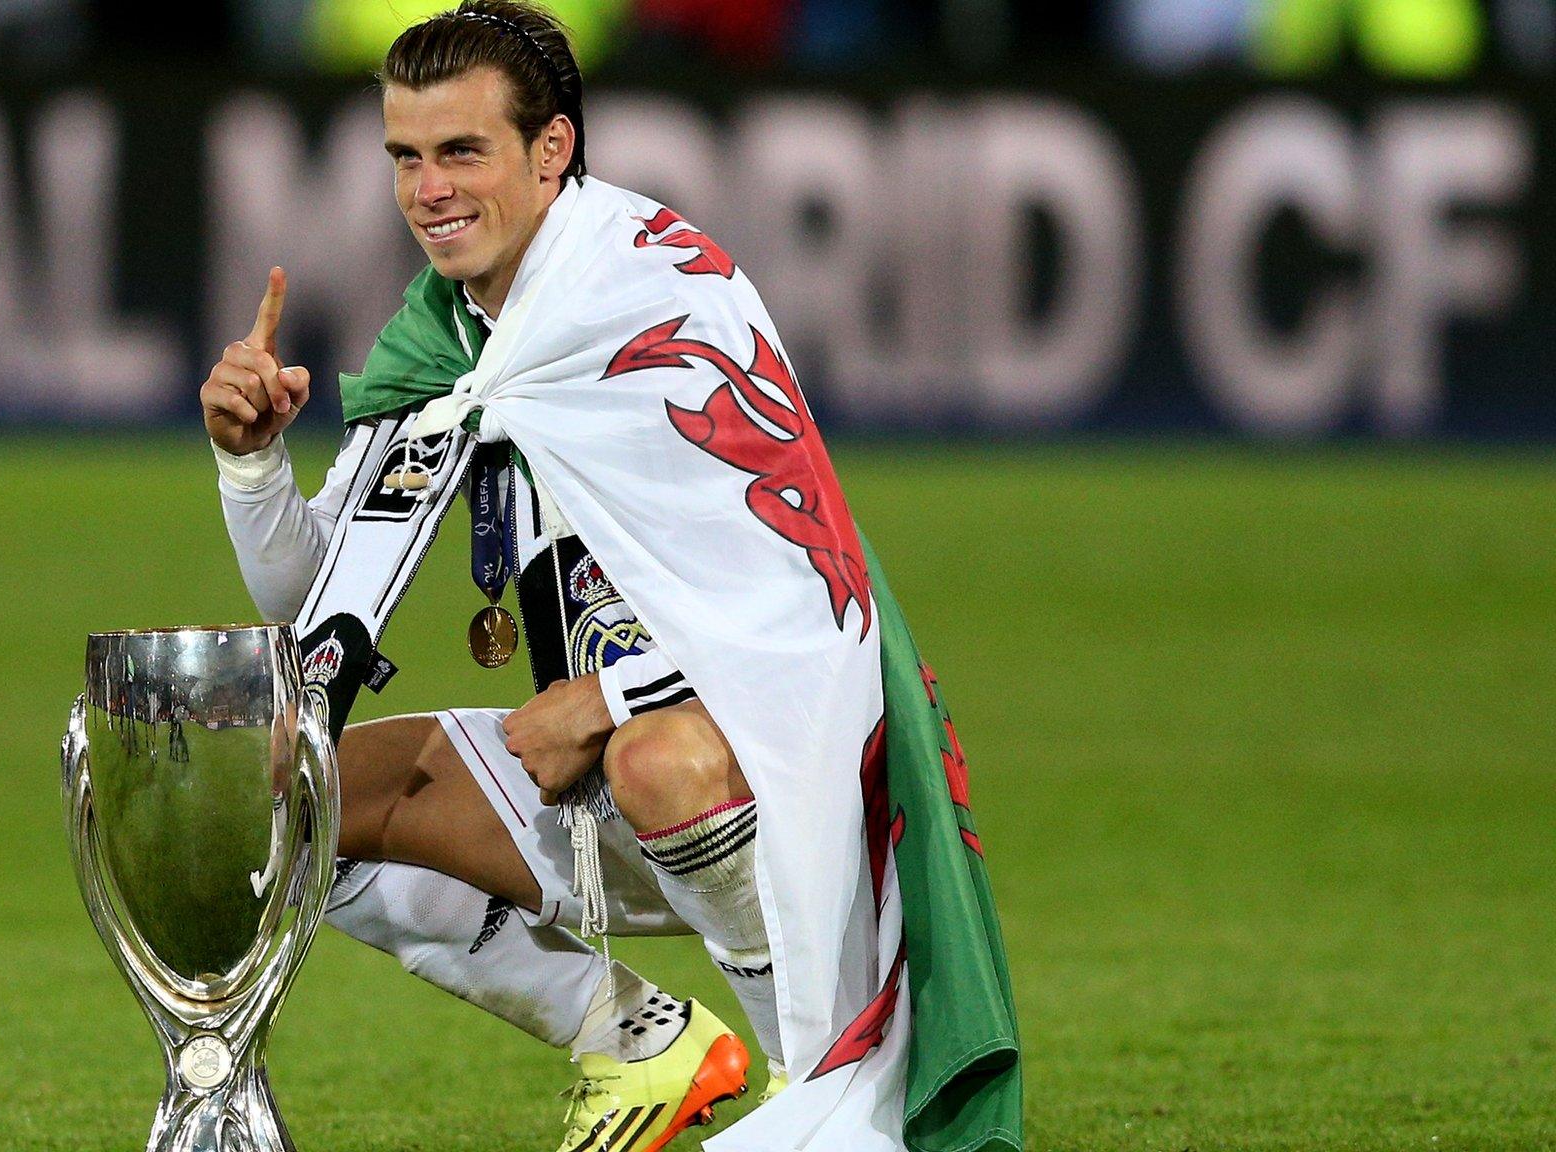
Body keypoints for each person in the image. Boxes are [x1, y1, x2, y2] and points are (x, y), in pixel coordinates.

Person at [200, 4, 1022, 1150]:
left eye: (460, 152)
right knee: (290, 797)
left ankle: (808, 1073)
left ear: (550, 152)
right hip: (592, 778)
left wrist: (608, 698)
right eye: (404, 157)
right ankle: (639, 1042)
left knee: (657, 756)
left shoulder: (655, 296)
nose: (427, 189)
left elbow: (809, 592)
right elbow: (307, 598)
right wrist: (249, 465)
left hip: (780, 785)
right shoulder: (449, 340)